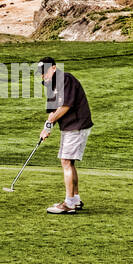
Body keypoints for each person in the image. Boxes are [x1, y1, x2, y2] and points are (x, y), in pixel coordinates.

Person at [37, 57, 94, 214]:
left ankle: (69, 204)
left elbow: (65, 106)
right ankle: (75, 199)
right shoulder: (50, 85)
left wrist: (50, 123)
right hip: (69, 126)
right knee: (69, 162)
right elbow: (53, 112)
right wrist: (46, 128)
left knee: (66, 161)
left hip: (77, 124)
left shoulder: (65, 79)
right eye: (41, 73)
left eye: (45, 72)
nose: (43, 76)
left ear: (54, 68)